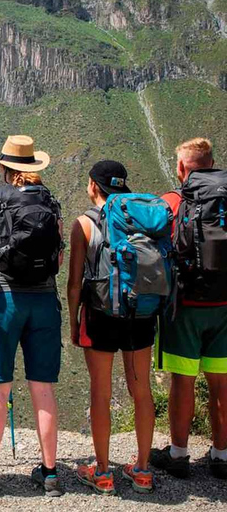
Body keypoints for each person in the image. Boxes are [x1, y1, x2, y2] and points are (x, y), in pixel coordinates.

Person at [0, 135, 65, 498]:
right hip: (44, 302)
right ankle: (50, 474)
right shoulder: (51, 203)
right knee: (43, 387)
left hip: (3, 303)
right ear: (34, 166)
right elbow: (59, 260)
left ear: (4, 167)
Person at [67, 161, 157, 495]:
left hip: (100, 315)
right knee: (142, 390)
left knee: (100, 393)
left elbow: (75, 283)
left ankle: (103, 472)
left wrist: (74, 321)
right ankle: (143, 470)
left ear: (93, 185)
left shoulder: (84, 224)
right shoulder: (143, 219)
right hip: (140, 314)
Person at [151, 138, 227, 480]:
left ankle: (179, 455)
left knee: (182, 381)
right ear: (212, 163)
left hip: (184, 306)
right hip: (224, 305)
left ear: (182, 169)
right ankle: (221, 456)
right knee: (221, 384)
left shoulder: (172, 202)